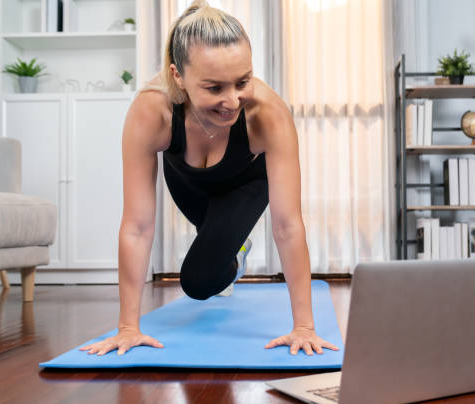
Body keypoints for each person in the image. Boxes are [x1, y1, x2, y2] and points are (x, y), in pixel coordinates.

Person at [79, 0, 339, 358]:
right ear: (178, 77)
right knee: (208, 265)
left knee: (198, 283)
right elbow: (137, 227)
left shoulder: (268, 115)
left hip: (247, 185)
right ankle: (231, 247)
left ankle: (234, 249)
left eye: (242, 82)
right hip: (188, 185)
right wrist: (128, 328)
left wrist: (304, 327)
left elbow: (288, 226)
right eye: (214, 88)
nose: (232, 101)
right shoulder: (151, 111)